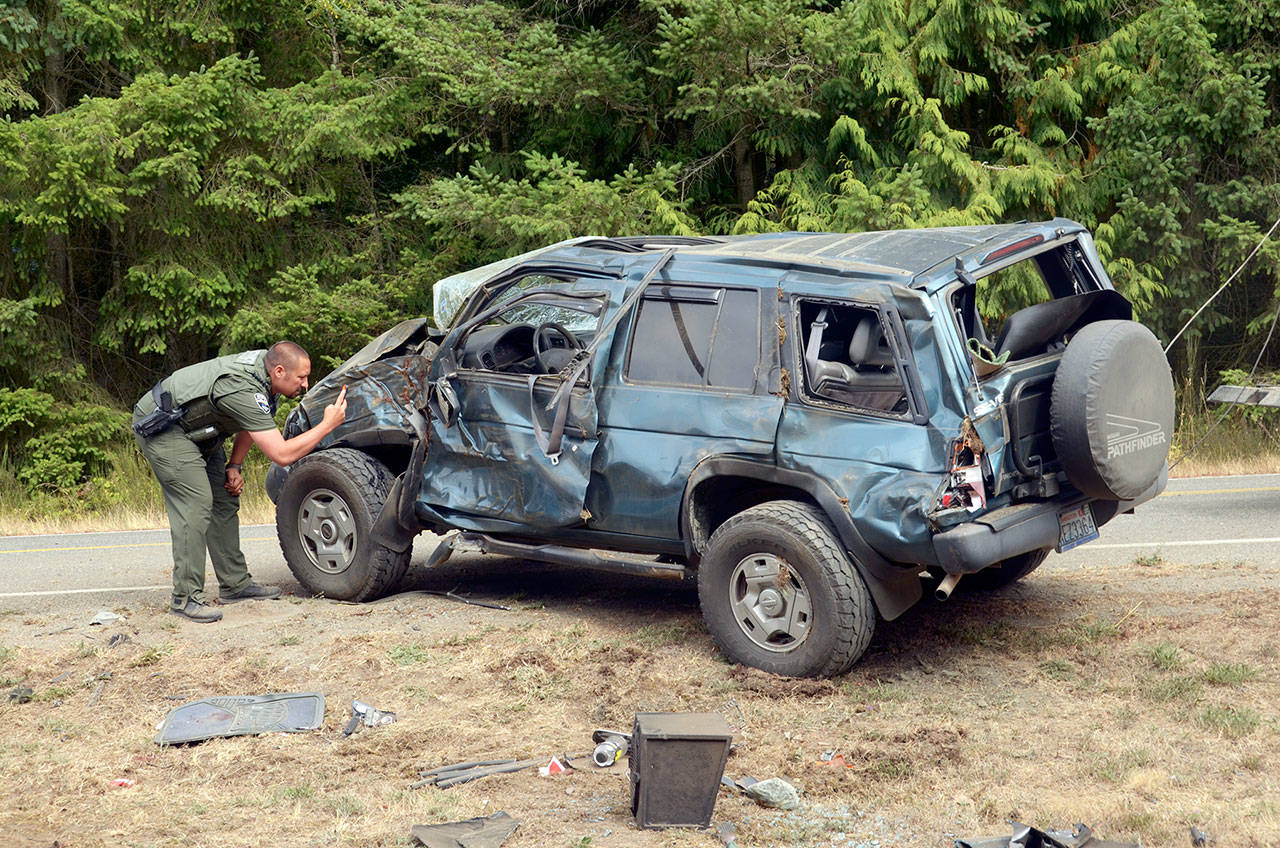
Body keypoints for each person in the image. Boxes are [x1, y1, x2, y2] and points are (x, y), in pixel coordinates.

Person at [132, 341, 348, 623]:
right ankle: (185, 600)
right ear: (280, 371)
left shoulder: (268, 378)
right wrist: (328, 425)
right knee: (196, 503)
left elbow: (254, 420)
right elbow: (282, 454)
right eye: (301, 378)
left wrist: (235, 464)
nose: (306, 384)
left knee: (224, 496)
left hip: (202, 431)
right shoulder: (242, 386)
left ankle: (235, 585)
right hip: (164, 428)